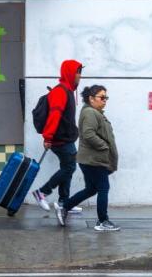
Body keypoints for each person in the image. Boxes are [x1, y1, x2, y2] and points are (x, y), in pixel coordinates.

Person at [61, 84, 120, 231]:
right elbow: (88, 134)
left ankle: (65, 206)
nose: (105, 100)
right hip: (94, 160)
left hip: (90, 159)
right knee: (103, 188)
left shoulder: (94, 112)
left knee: (91, 189)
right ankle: (102, 221)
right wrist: (104, 147)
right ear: (91, 98)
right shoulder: (90, 113)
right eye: (101, 97)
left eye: (106, 97)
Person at [31, 59, 84, 223]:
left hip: (65, 138)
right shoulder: (60, 92)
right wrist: (47, 137)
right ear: (69, 72)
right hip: (59, 139)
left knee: (67, 168)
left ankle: (64, 202)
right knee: (69, 167)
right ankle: (42, 192)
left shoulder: (67, 90)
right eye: (78, 72)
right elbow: (54, 116)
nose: (80, 76)